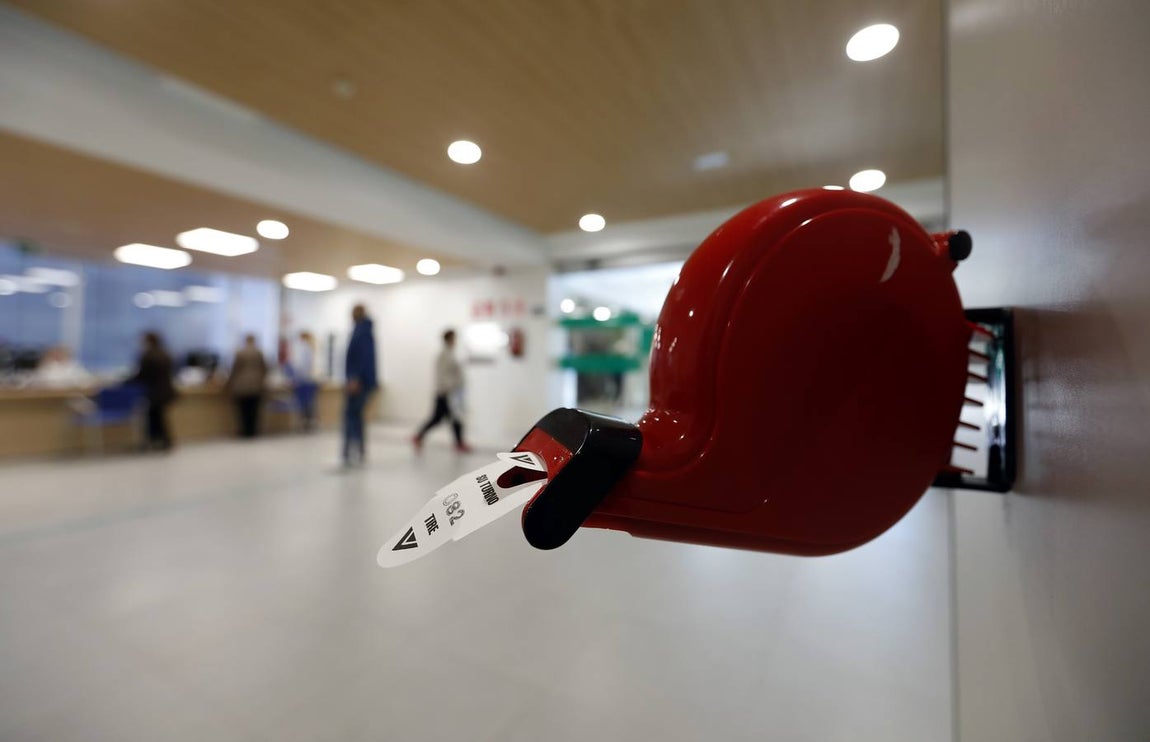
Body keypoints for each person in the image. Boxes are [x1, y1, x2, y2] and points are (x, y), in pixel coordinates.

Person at [413, 329, 471, 453]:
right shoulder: (443, 355)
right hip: (446, 393)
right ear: (449, 339)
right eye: (454, 338)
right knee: (447, 418)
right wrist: (447, 389)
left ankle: (419, 436)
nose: (456, 341)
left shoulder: (450, 353)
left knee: (447, 418)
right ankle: (458, 443)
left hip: (451, 393)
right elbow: (441, 374)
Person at [342, 304, 377, 466]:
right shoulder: (362, 330)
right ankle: (357, 450)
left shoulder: (362, 332)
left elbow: (363, 358)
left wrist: (355, 378)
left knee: (351, 417)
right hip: (360, 381)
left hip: (358, 383)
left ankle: (349, 452)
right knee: (356, 417)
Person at [130, 331, 176, 451]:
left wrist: (124, 382)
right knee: (159, 417)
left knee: (155, 418)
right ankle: (162, 441)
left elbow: (142, 375)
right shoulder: (165, 354)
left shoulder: (148, 355)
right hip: (165, 390)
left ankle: (156, 441)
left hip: (154, 391)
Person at [226, 334, 268, 438]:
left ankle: (245, 431)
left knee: (243, 410)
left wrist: (229, 382)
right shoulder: (259, 353)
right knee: (254, 410)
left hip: (242, 385)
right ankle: (253, 431)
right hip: (256, 385)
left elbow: (235, 369)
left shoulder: (240, 353)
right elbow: (265, 368)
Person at [292, 330, 319, 431]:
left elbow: (301, 366)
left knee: (305, 404)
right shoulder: (308, 348)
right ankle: (308, 423)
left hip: (303, 380)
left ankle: (306, 423)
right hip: (307, 379)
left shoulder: (304, 348)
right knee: (308, 403)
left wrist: (296, 376)